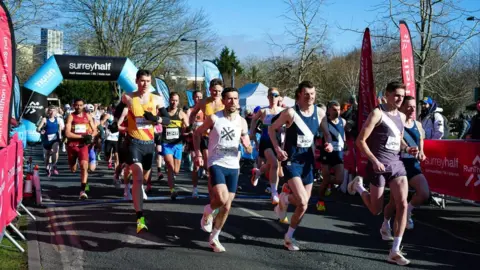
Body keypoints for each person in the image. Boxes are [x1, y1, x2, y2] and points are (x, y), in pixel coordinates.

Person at [348, 81, 418, 265]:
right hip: (378, 165)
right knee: (375, 209)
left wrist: (407, 148)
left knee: (402, 204)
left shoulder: (402, 117)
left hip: (396, 165)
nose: (399, 99)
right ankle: (359, 187)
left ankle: (395, 250)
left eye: (402, 96)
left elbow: (399, 138)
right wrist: (374, 160)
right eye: (396, 95)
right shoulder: (377, 113)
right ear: (386, 94)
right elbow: (360, 141)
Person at [268, 81, 328, 251]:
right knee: (302, 200)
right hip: (291, 161)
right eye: (307, 94)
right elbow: (272, 129)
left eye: (313, 94)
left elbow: (327, 134)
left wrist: (328, 143)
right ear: (299, 95)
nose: (310, 97)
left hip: (308, 162)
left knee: (304, 204)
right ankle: (289, 236)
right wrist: (278, 149)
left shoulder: (320, 113)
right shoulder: (290, 113)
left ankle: (288, 232)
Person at [194, 87, 252, 253]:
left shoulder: (242, 121)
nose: (233, 102)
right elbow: (197, 133)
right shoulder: (214, 118)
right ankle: (207, 211)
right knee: (221, 197)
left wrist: (248, 147)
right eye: (229, 99)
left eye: (235, 99)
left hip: (234, 165)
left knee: (227, 206)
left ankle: (215, 237)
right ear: (224, 101)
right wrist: (198, 153)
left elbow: (246, 139)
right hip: (216, 162)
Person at [121, 69, 169, 233]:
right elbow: (116, 112)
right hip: (134, 142)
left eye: (148, 81)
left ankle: (135, 189)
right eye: (142, 81)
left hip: (149, 144)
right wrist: (116, 124)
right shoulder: (128, 97)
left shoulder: (156, 99)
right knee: (138, 177)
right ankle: (140, 218)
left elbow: (168, 119)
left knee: (144, 177)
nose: (145, 84)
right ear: (136, 81)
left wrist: (156, 119)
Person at [385, 95, 429, 230]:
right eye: (409, 106)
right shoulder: (395, 122)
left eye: (414, 107)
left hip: (413, 165)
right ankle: (385, 223)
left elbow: (420, 138)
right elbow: (396, 140)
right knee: (394, 202)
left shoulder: (418, 124)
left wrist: (421, 151)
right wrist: (406, 148)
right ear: (402, 107)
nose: (412, 109)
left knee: (424, 193)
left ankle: (408, 212)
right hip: (399, 164)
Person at [249, 87, 284, 204]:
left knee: (274, 166)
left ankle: (258, 172)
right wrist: (252, 133)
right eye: (271, 95)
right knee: (274, 164)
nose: (273, 97)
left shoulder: (283, 111)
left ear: (279, 97)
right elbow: (253, 120)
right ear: (268, 97)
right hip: (266, 140)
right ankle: (274, 193)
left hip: (278, 141)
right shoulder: (263, 111)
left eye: (276, 95)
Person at [189, 79, 225, 181]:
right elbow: (193, 113)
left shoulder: (225, 101)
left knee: (219, 162)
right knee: (208, 159)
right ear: (209, 89)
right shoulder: (204, 102)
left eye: (219, 91)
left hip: (222, 136)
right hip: (207, 135)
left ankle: (216, 179)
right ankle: (210, 177)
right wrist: (191, 125)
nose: (217, 93)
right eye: (214, 90)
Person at [65, 98, 98, 200]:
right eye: (76, 105)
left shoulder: (87, 116)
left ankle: (82, 191)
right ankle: (73, 165)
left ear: (84, 106)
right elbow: (67, 133)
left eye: (80, 105)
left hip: (83, 145)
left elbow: (95, 130)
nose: (78, 107)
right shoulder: (71, 116)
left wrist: (91, 136)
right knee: (73, 169)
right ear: (73, 106)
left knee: (84, 166)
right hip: (72, 145)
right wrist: (82, 137)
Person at [316, 100, 346, 212]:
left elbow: (343, 136)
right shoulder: (324, 122)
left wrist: (345, 146)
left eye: (338, 109)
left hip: (338, 154)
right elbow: (319, 133)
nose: (337, 112)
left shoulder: (343, 121)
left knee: (340, 180)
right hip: (327, 153)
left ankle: (328, 183)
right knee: (326, 178)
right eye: (334, 109)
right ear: (328, 110)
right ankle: (320, 201)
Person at [162, 92, 189, 199]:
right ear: (169, 100)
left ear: (178, 102)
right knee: (170, 166)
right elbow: (157, 122)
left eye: (176, 100)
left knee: (176, 171)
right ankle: (172, 190)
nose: (174, 102)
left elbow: (187, 127)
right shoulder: (164, 112)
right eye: (172, 100)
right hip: (166, 143)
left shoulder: (181, 113)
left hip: (177, 144)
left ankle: (170, 172)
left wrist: (187, 128)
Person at [186, 90, 205, 198]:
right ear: (193, 98)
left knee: (207, 165)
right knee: (196, 165)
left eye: (200, 97)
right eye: (196, 97)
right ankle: (195, 189)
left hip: (205, 139)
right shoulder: (190, 110)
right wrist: (191, 128)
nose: (198, 99)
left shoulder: (205, 110)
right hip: (194, 139)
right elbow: (188, 124)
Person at [37, 105, 64, 177]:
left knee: (55, 150)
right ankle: (47, 168)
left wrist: (61, 136)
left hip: (55, 139)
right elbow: (38, 128)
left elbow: (61, 128)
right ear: (48, 112)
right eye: (50, 110)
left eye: (54, 111)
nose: (52, 112)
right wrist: (40, 131)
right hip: (46, 140)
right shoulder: (44, 119)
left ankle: (54, 165)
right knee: (47, 156)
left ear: (56, 112)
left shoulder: (58, 119)